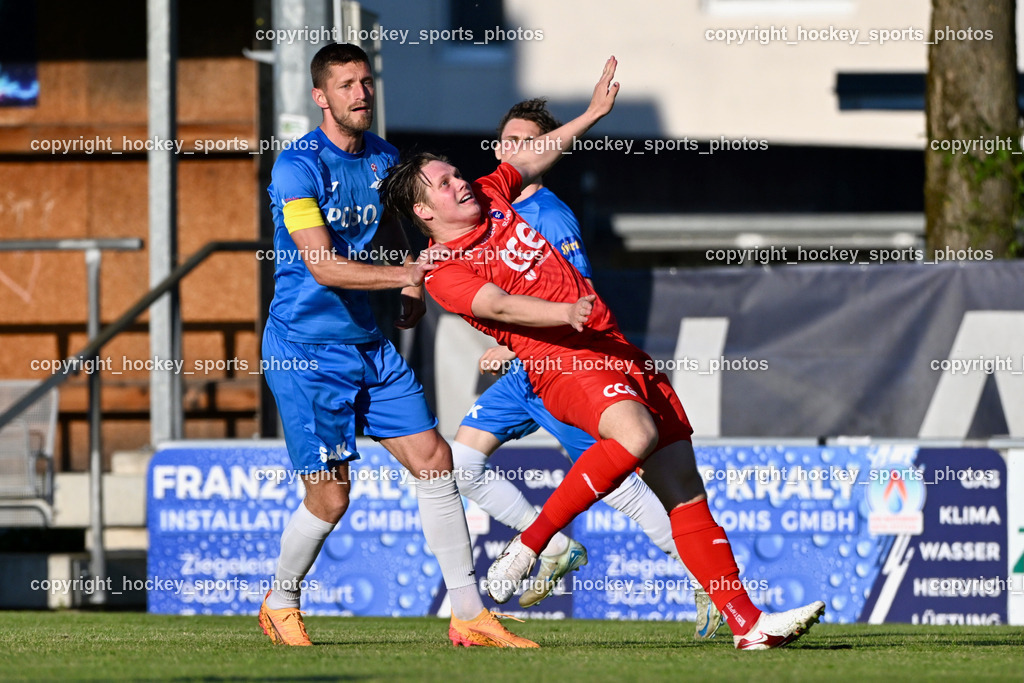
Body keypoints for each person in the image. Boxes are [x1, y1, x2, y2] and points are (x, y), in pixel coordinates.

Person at [380, 56, 825, 650]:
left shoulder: (491, 193)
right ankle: (532, 542)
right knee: (633, 437)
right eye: (443, 182)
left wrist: (591, 114)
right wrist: (563, 313)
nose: (461, 180)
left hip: (613, 348)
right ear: (423, 212)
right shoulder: (445, 271)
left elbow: (530, 156)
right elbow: (503, 307)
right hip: (561, 360)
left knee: (685, 491)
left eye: (455, 173)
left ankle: (749, 625)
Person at [258, 43, 536, 649]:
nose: (360, 93)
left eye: (365, 81)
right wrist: (405, 278)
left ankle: (469, 615)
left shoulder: (386, 158)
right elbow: (324, 267)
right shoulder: (296, 167)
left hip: (368, 346)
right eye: (346, 85)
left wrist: (415, 287)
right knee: (331, 497)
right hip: (306, 352)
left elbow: (410, 233)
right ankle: (280, 601)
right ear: (320, 97)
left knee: (436, 463)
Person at [450, 98, 723, 638]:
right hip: (524, 374)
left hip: (563, 368)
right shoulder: (489, 205)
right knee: (460, 464)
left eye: (526, 141)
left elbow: (579, 299)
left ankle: (706, 582)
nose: (512, 149)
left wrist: (511, 344)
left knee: (622, 484)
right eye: (506, 139)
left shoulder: (550, 216)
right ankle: (552, 545)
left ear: (546, 153)